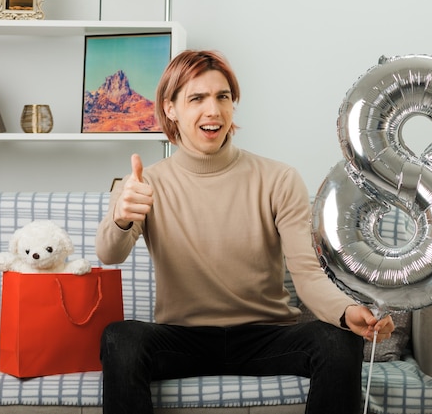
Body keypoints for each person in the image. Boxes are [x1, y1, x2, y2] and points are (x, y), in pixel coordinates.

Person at [95, 49, 394, 414]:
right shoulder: (144, 183)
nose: (213, 111)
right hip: (183, 338)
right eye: (197, 98)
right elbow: (109, 254)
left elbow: (307, 275)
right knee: (119, 338)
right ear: (170, 108)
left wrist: (347, 311)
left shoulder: (278, 178)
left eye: (223, 97)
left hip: (267, 336)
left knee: (338, 340)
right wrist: (122, 218)